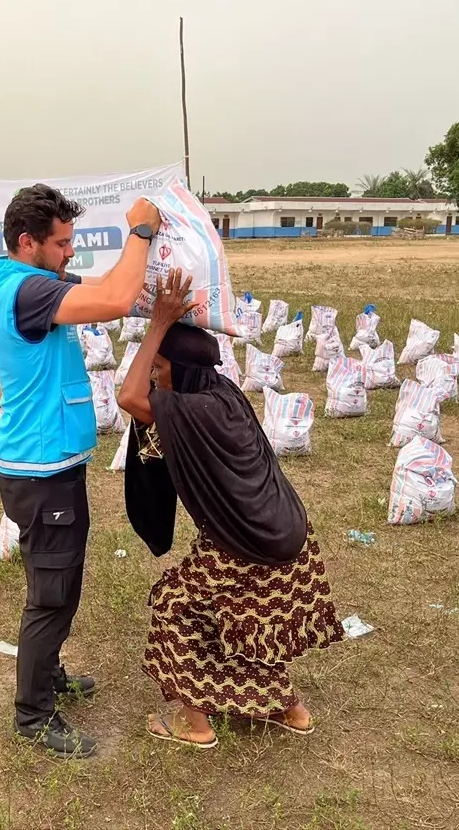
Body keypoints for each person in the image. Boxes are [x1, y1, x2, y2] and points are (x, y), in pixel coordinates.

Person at [117, 268, 344, 749]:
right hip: (290, 536)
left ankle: (195, 725)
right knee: (243, 619)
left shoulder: (193, 410)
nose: (156, 378)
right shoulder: (225, 396)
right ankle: (293, 711)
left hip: (244, 544)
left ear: (181, 370)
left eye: (160, 369)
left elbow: (128, 397)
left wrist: (157, 323)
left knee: (174, 607)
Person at [0, 183, 162, 758]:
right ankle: (33, 716)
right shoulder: (27, 291)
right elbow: (114, 300)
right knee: (52, 594)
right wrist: (140, 230)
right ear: (26, 242)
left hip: (50, 463)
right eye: (61, 244)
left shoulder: (32, 282)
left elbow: (113, 289)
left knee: (63, 579)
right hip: (40, 472)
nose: (69, 255)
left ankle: (50, 675)